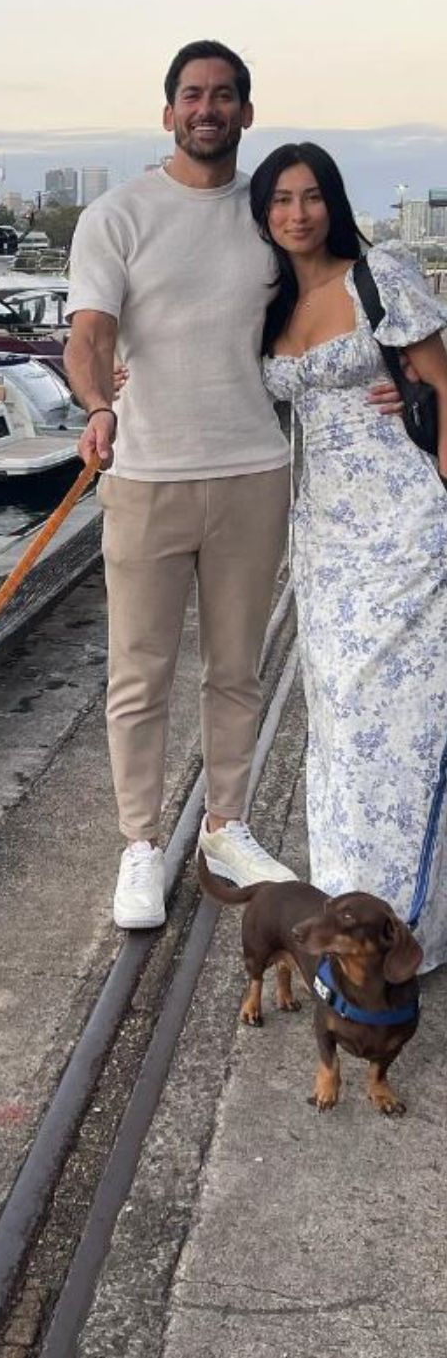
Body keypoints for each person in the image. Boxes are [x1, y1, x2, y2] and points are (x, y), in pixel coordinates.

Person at [64, 39, 297, 930]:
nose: (208, 108)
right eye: (192, 95)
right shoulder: (118, 215)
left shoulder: (272, 213)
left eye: (225, 95)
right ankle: (139, 844)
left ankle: (227, 827)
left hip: (253, 470)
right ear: (168, 113)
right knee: (140, 673)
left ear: (246, 111)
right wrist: (95, 406)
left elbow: (326, 311)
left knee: (235, 668)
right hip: (147, 473)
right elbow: (89, 335)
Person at [250, 141, 447, 971]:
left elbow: (445, 384)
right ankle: (344, 915)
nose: (298, 214)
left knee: (404, 727)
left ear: (333, 200)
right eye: (280, 200)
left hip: (406, 525)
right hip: (325, 537)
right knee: (337, 730)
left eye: (311, 196)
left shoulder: (382, 276)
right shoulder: (266, 304)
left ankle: (409, 932)